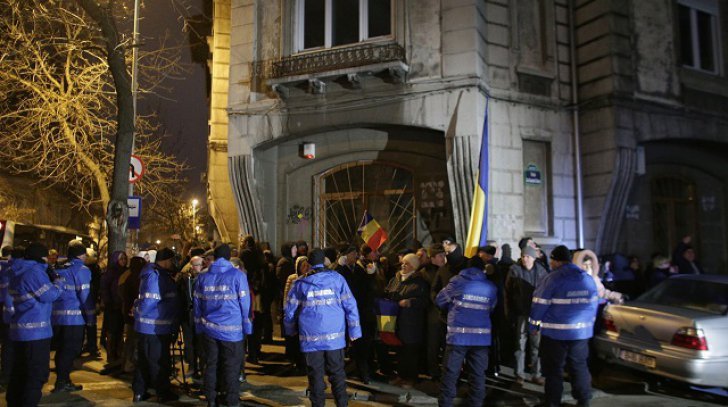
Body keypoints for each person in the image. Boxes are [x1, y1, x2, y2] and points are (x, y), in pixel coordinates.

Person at [284, 249, 361, 407]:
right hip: (335, 338)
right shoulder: (337, 279)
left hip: (310, 338)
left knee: (316, 377)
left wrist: (290, 330)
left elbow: (289, 311)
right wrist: (355, 331)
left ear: (309, 264)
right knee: (337, 374)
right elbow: (350, 305)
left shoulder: (300, 283)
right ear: (325, 260)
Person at [529, 245, 599, 407]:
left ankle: (553, 402)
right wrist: (588, 327)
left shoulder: (552, 279)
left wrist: (533, 326)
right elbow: (593, 305)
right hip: (580, 334)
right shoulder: (586, 278)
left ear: (555, 261)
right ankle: (583, 400)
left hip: (555, 335)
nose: (551, 264)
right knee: (579, 367)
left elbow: (539, 305)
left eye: (552, 261)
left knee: (554, 371)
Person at [6, 243, 64, 407]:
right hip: (36, 333)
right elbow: (49, 295)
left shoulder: (17, 270)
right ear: (42, 257)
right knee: (36, 374)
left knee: (20, 373)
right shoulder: (34, 272)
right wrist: (59, 282)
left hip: (20, 331)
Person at [194, 244, 252, 407]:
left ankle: (211, 399)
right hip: (232, 331)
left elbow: (197, 304)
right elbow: (245, 303)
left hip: (209, 330)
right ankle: (231, 400)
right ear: (228, 257)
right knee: (231, 367)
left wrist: (199, 326)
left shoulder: (203, 277)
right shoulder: (237, 275)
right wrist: (246, 326)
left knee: (211, 365)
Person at [435, 257, 497, 407]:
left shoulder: (457, 281)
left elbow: (439, 300)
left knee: (450, 374)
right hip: (481, 339)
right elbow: (492, 308)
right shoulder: (491, 287)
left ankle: (446, 404)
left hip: (458, 338)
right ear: (482, 269)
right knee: (477, 376)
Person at [132, 248, 181, 403]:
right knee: (158, 361)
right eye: (172, 260)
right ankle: (162, 392)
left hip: (153, 327)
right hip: (154, 327)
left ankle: (140, 391)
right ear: (165, 260)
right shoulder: (155, 276)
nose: (173, 264)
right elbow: (149, 300)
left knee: (145, 361)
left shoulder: (159, 275)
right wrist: (138, 312)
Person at [51, 240, 92, 392]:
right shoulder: (82, 270)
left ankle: (63, 380)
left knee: (62, 349)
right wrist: (91, 317)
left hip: (57, 318)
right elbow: (85, 295)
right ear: (81, 255)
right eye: (84, 255)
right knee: (71, 350)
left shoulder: (60, 268)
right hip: (74, 319)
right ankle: (62, 382)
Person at [384, 253, 428, 388]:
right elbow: (387, 292)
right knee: (399, 349)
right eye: (403, 262)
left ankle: (410, 378)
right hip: (395, 321)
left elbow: (424, 302)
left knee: (410, 351)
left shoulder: (419, 282)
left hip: (411, 323)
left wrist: (410, 302)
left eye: (407, 263)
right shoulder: (395, 279)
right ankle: (400, 375)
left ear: (414, 266)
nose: (403, 265)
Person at [505, 245, 548, 385]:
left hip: (536, 314)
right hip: (520, 313)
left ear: (533, 258)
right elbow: (507, 293)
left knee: (537, 345)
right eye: (523, 256)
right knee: (520, 345)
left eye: (527, 256)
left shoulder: (541, 272)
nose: (524, 259)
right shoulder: (514, 270)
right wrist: (509, 313)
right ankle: (520, 374)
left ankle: (537, 373)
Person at [119, 255, 147, 374]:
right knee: (133, 339)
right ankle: (129, 364)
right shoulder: (136, 278)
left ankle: (127, 362)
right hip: (133, 313)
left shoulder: (127, 275)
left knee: (130, 339)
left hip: (128, 311)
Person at [423, 243, 447, 380]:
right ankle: (433, 371)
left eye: (444, 255)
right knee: (433, 345)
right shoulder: (425, 273)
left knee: (446, 345)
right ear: (432, 258)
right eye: (440, 256)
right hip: (433, 314)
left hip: (445, 314)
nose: (443, 258)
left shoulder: (447, 270)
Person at [100, 250, 127, 371]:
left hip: (121, 306)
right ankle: (112, 357)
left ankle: (119, 355)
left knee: (120, 332)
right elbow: (104, 288)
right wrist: (108, 302)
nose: (123, 261)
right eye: (121, 259)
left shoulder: (126, 272)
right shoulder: (110, 273)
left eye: (124, 259)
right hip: (112, 307)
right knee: (112, 332)